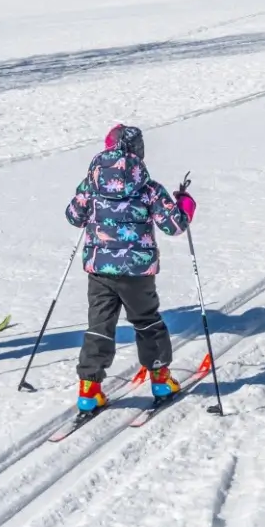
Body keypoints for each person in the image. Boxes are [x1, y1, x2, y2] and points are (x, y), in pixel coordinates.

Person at [65, 124, 196, 419]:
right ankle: (161, 381)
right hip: (137, 271)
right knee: (147, 322)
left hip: (99, 269)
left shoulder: (91, 182)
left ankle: (89, 390)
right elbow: (174, 225)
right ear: (139, 151)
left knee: (99, 325)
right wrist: (185, 203)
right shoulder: (149, 188)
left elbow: (74, 215)